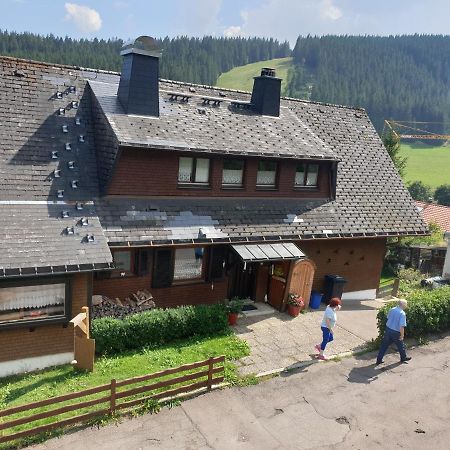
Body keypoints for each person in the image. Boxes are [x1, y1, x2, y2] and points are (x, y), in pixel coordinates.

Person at [376, 299, 412, 364]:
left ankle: (379, 359)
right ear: (403, 305)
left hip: (388, 329)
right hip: (395, 332)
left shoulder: (392, 309)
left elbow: (388, 317)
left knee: (384, 345)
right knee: (400, 345)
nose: (407, 305)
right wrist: (402, 335)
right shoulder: (402, 313)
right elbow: (401, 326)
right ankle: (403, 358)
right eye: (406, 304)